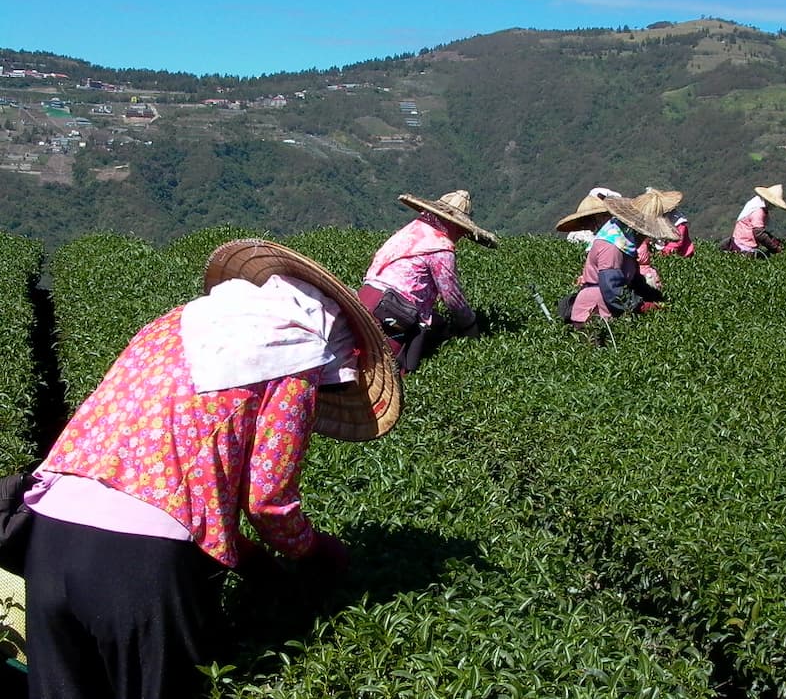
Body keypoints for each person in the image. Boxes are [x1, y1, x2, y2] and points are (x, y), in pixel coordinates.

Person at [22, 239, 403, 699]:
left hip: (50, 535)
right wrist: (316, 552)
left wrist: (245, 557)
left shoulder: (170, 327)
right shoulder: (294, 356)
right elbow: (267, 502)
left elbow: (153, 488)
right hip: (139, 566)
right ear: (329, 339)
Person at [359, 190, 498, 375]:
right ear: (453, 224)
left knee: (357, 357)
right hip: (392, 311)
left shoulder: (411, 230)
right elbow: (452, 298)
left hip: (364, 299)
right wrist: (471, 327)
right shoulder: (440, 247)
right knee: (385, 372)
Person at [566, 188, 680, 328]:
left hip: (609, 308)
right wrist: (641, 306)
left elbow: (634, 280)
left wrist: (656, 298)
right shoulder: (611, 245)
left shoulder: (625, 242)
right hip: (594, 314)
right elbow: (611, 287)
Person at [719, 184, 786, 258]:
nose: (774, 207)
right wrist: (775, 249)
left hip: (739, 241)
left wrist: (774, 240)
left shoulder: (756, 202)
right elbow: (759, 234)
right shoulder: (758, 211)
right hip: (744, 245)